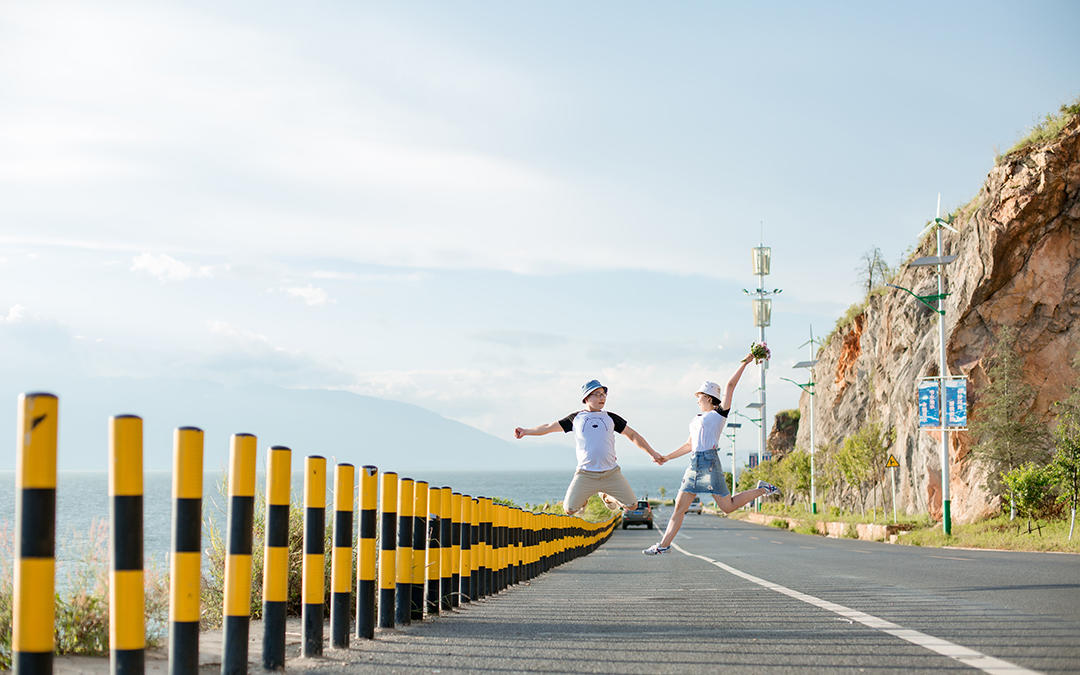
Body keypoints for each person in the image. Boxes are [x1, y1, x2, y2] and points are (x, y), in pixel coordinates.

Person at [643, 353, 780, 555]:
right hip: (694, 464)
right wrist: (666, 457)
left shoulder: (718, 415)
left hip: (709, 463)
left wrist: (747, 360)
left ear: (708, 397)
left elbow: (731, 385)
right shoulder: (695, 419)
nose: (697, 400)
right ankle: (664, 546)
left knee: (728, 507)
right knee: (678, 509)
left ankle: (762, 489)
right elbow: (689, 445)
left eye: (699, 396)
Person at [514, 379, 663, 515]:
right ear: (586, 398)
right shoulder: (576, 418)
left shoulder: (610, 417)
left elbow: (633, 435)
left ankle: (606, 497)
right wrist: (526, 431)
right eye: (597, 394)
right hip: (585, 474)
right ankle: (584, 498)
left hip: (611, 472)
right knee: (570, 509)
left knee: (632, 505)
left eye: (603, 394)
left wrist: (652, 453)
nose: (602, 398)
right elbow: (548, 427)